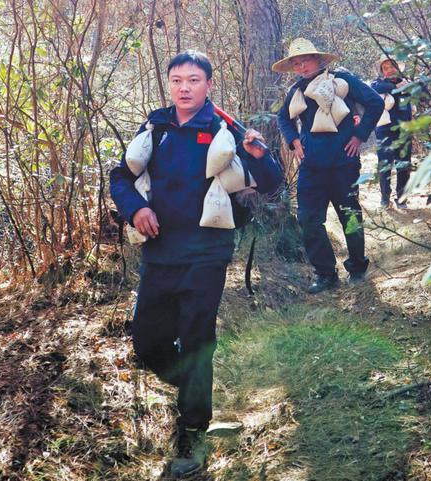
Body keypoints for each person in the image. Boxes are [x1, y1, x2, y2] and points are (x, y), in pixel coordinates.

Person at [110, 51, 282, 478]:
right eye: (176, 80)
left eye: (193, 80)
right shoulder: (156, 128)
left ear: (208, 85)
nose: (184, 87)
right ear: (169, 84)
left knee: (196, 337)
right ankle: (193, 390)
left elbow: (273, 181)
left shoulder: (226, 129)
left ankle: (191, 429)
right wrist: (134, 210)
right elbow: (120, 177)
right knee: (147, 343)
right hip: (160, 250)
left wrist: (259, 154)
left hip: (207, 252)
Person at [273, 38, 384, 294]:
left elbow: (375, 103)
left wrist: (359, 135)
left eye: (306, 60)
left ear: (318, 59)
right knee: (308, 219)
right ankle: (325, 274)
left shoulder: (342, 81)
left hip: (344, 163)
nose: (301, 67)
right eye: (296, 63)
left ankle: (357, 267)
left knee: (350, 215)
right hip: (311, 167)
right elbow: (283, 118)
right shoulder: (297, 92)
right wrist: (293, 141)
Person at [371, 56, 413, 209]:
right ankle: (384, 198)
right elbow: (373, 90)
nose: (389, 70)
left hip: (405, 130)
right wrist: (396, 88)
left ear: (397, 67)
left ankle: (402, 199)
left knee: (403, 165)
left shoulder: (407, 82)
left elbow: (422, 92)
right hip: (384, 131)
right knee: (385, 164)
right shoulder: (378, 84)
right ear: (382, 71)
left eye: (391, 66)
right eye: (385, 67)